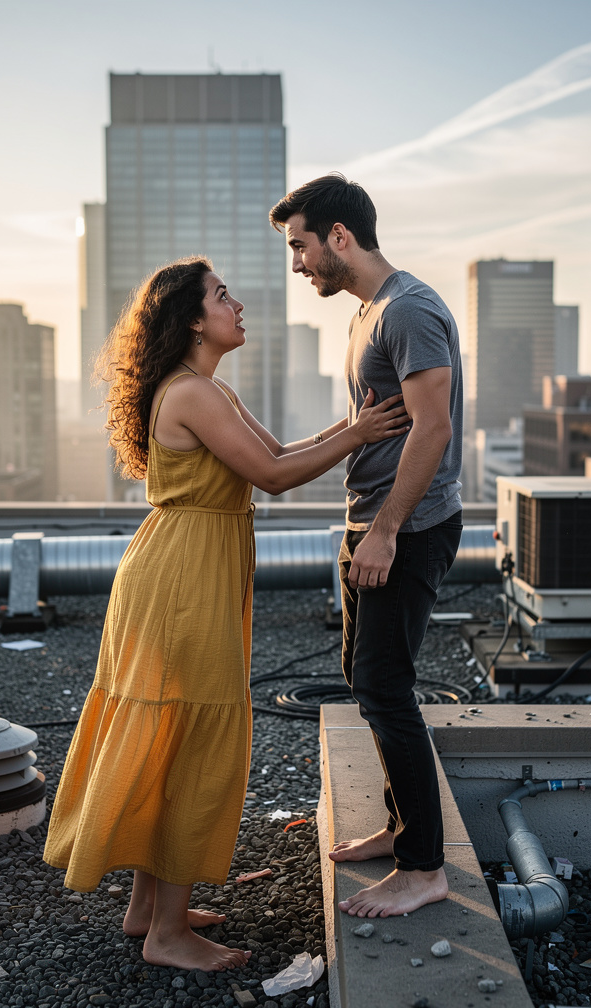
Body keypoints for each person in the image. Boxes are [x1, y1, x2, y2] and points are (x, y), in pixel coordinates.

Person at [43, 255, 408, 971]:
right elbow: (273, 478)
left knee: (171, 731)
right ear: (190, 319)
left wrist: (351, 423)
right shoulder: (194, 393)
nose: (237, 305)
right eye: (221, 296)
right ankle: (169, 936)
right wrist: (360, 436)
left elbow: (277, 452)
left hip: (186, 567)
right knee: (190, 737)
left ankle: (149, 908)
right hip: (182, 578)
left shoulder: (208, 389)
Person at [270, 175, 464, 919]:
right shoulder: (367, 314)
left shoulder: (408, 309)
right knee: (364, 676)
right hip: (372, 524)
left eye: (301, 246)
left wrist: (383, 531)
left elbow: (434, 426)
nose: (297, 265)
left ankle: (423, 869)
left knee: (386, 686)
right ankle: (400, 826)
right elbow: (370, 423)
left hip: (405, 530)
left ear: (339, 237)